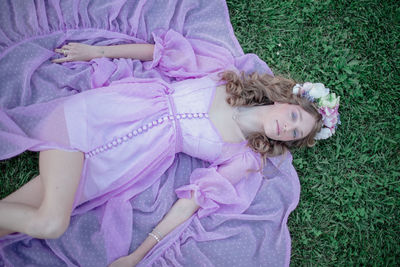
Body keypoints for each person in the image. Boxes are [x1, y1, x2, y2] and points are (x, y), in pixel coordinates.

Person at [0, 27, 340, 266]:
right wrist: (99, 52)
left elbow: (188, 206)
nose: (287, 127)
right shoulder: (224, 73)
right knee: (51, 223)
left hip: (121, 165)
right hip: (105, 117)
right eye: (294, 116)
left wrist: (138, 255)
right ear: (286, 99)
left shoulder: (244, 157)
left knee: (12, 220)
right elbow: (158, 55)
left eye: (295, 134)